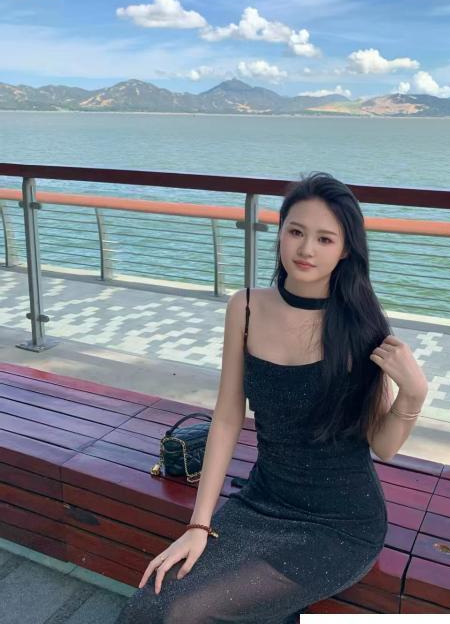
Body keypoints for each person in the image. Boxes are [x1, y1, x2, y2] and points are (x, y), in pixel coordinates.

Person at [116, 171, 428, 624]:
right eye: (296, 232)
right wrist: (199, 525)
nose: (306, 249)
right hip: (262, 500)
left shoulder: (361, 325)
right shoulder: (245, 307)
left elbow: (382, 444)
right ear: (280, 233)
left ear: (345, 250)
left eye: (325, 238)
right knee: (150, 605)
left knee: (180, 611)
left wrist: (414, 393)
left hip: (340, 524)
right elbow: (227, 417)